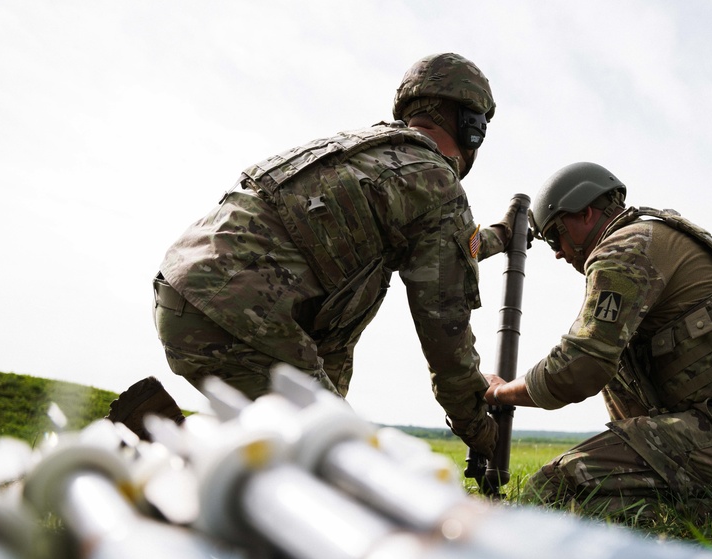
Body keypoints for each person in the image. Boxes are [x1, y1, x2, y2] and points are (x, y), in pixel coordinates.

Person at [114, 53, 509, 458]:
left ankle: (155, 435)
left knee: (279, 442)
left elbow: (453, 247)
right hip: (241, 317)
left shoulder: (363, 151)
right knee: (345, 464)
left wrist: (503, 235)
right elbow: (448, 346)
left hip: (183, 291)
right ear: (472, 127)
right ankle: (150, 458)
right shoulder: (438, 185)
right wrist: (484, 435)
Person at [485, 162, 712, 516]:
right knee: (593, 502)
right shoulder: (649, 240)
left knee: (552, 489)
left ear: (585, 214)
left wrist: (501, 391)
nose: (557, 252)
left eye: (555, 236)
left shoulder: (624, 250)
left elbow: (581, 365)